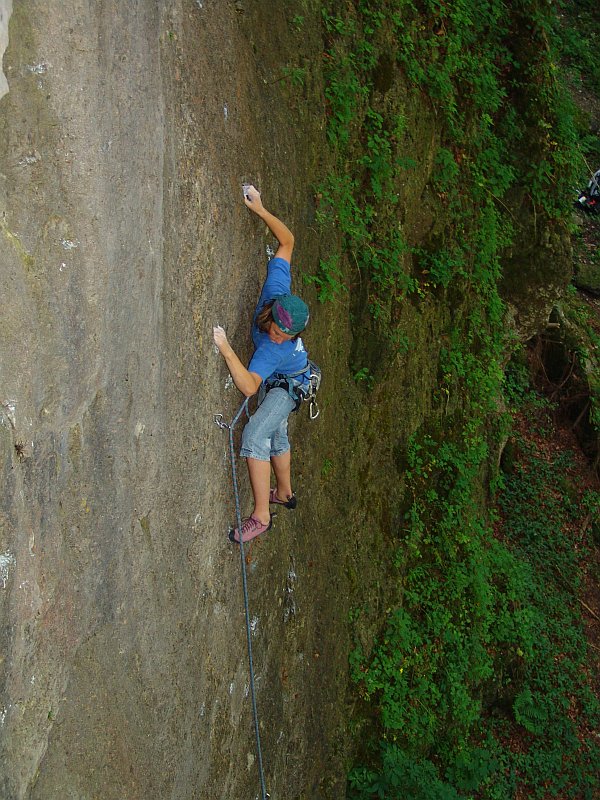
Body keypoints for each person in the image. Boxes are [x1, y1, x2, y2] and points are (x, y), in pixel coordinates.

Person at [213, 185, 310, 543]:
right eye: (279, 331)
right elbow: (287, 242)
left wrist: (225, 348)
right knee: (276, 432)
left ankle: (261, 516)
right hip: (292, 377)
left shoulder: (274, 350)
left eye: (288, 336)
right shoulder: (276, 288)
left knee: (255, 434)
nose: (279, 337)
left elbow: (250, 386)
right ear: (274, 314)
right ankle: (283, 492)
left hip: (288, 384)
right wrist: (260, 209)